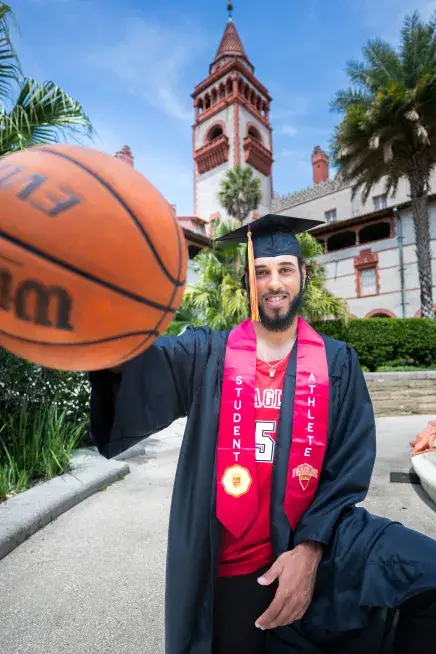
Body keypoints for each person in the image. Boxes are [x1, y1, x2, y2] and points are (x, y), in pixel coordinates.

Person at [89, 214, 436, 654]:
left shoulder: (337, 362)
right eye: (262, 272)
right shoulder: (206, 353)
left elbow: (347, 467)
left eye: (285, 270)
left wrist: (310, 551)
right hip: (234, 566)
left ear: (303, 276)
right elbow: (137, 363)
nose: (274, 283)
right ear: (247, 283)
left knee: (425, 575)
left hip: (319, 544)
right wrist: (94, 316)